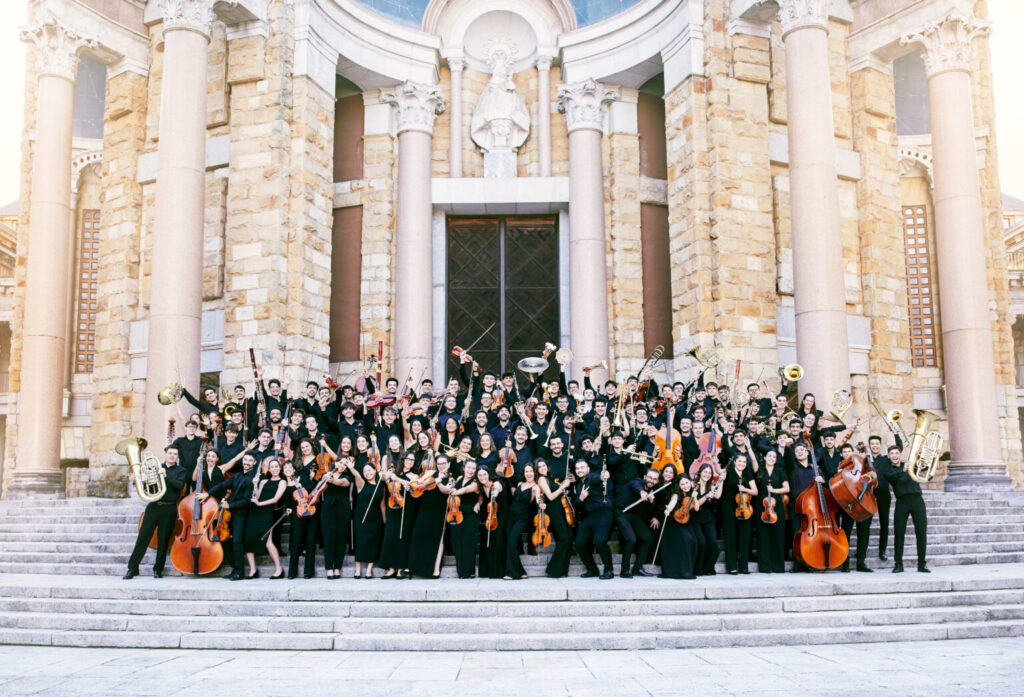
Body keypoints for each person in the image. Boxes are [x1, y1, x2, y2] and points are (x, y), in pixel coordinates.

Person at [123, 445, 190, 580]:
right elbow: (147, 485)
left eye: (175, 454)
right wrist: (136, 481)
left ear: (177, 457)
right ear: (165, 454)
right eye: (170, 453)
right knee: (143, 537)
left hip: (169, 508)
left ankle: (158, 569)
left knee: (164, 540)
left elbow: (179, 486)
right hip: (153, 506)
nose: (172, 456)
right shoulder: (154, 467)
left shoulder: (181, 471)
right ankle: (132, 568)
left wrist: (165, 477)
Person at [885, 445, 929, 573]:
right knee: (899, 533)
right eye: (892, 453)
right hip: (902, 502)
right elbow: (894, 479)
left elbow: (924, 466)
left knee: (921, 532)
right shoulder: (888, 471)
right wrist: (904, 470)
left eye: (896, 453)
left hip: (917, 500)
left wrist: (935, 455)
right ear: (889, 456)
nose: (894, 455)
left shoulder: (909, 464)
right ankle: (898, 564)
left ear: (900, 455)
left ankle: (922, 564)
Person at [570, 459, 614, 579]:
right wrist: (581, 498)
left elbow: (600, 478)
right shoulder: (578, 485)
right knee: (579, 543)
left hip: (602, 514)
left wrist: (604, 476)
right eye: (577, 468)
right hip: (589, 516)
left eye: (582, 468)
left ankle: (609, 570)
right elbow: (577, 505)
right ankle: (592, 570)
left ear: (588, 469)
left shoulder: (593, 478)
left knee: (600, 541)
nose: (580, 470)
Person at [245, 457, 286, 578]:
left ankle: (279, 569)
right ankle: (253, 570)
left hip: (267, 512)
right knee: (249, 540)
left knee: (268, 542)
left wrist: (260, 503)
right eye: (272, 467)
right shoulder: (263, 481)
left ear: (280, 468)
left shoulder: (282, 482)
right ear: (269, 469)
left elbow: (276, 499)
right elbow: (257, 496)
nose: (274, 469)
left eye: (276, 466)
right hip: (255, 512)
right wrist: (255, 485)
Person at [535, 459, 573, 578]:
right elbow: (550, 497)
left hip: (561, 510)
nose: (542, 468)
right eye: (539, 467)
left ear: (547, 466)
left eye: (544, 465)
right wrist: (562, 487)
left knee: (569, 538)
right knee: (564, 539)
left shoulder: (551, 478)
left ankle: (563, 570)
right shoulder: (541, 479)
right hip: (553, 511)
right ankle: (553, 570)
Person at [349, 458, 385, 579]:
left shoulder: (381, 486)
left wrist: (385, 521)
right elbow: (357, 475)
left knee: (373, 542)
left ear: (375, 471)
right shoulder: (361, 483)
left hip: (375, 518)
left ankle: (369, 569)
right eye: (365, 471)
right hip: (360, 517)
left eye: (370, 470)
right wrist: (351, 467)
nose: (367, 473)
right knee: (361, 541)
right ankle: (358, 569)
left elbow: (382, 505)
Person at [721, 453, 757, 575]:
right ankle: (731, 566)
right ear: (735, 462)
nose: (741, 464)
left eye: (744, 462)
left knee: (745, 536)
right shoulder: (728, 473)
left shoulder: (747, 474)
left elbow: (755, 491)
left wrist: (745, 489)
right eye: (739, 461)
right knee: (730, 536)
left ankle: (743, 566)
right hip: (729, 507)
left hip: (745, 508)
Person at [658, 476, 699, 580]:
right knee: (685, 541)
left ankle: (687, 569)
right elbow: (673, 501)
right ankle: (678, 571)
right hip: (673, 521)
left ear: (690, 482)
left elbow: (697, 508)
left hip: (685, 521)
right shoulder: (676, 493)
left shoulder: (692, 493)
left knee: (692, 541)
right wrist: (668, 509)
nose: (685, 486)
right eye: (682, 484)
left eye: (687, 483)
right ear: (678, 486)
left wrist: (695, 497)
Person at [320, 456, 354, 579]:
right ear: (335, 463)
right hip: (328, 507)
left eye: (345, 464)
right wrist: (326, 476)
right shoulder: (325, 474)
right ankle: (329, 568)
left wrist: (330, 478)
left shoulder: (348, 477)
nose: (342, 465)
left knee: (341, 538)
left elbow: (341, 483)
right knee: (329, 537)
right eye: (340, 462)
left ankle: (337, 568)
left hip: (343, 507)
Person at [504, 463, 539, 580]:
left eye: (531, 471)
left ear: (534, 472)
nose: (529, 474)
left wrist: (540, 502)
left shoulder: (535, 487)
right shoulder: (520, 484)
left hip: (521, 518)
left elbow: (538, 499)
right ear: (524, 473)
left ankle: (512, 573)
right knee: (510, 543)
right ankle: (521, 571)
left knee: (511, 542)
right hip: (510, 516)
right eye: (526, 471)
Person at [755, 449, 788, 573]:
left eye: (774, 457)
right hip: (762, 505)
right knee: (763, 535)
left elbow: (787, 488)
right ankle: (765, 567)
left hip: (776, 505)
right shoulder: (759, 470)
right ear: (765, 457)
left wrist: (773, 490)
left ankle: (778, 566)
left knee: (778, 535)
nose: (772, 458)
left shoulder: (780, 470)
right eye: (769, 456)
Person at [449, 460, 480, 579]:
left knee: (468, 543)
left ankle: (468, 572)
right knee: (456, 542)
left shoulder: (476, 482)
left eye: (473, 468)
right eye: (469, 467)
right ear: (464, 468)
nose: (471, 470)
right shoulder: (459, 478)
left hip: (470, 514)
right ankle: (460, 572)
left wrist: (456, 492)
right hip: (456, 513)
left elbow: (467, 489)